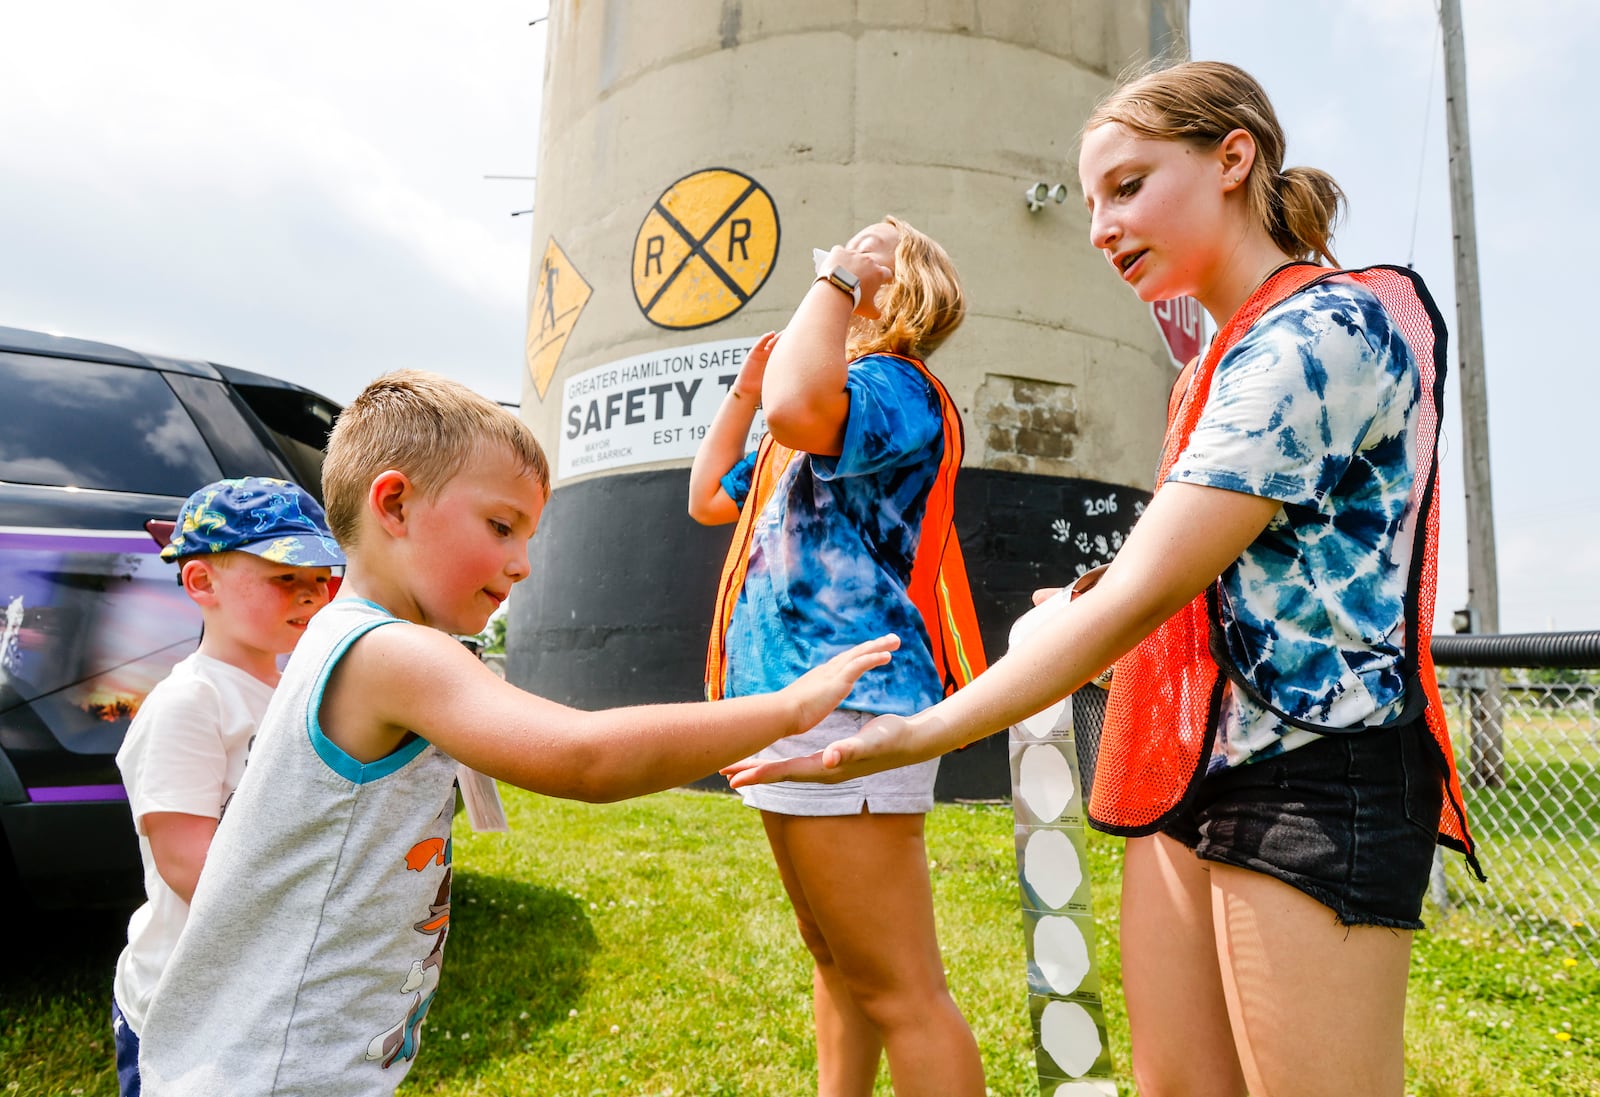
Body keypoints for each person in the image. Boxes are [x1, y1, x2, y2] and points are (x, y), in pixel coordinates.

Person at [727, 62, 1481, 1097]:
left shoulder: (1316, 336)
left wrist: (921, 730)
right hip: (1190, 762)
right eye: (1088, 202)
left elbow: (1147, 592)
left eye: (1125, 187)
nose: (1097, 228)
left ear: (1232, 158)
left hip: (1316, 772)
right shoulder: (1224, 355)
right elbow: (1211, 566)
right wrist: (1078, 601)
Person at [132, 370, 896, 1097]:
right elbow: (585, 756)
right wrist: (788, 708)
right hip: (277, 1070)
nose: (523, 564)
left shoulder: (346, 640)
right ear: (393, 505)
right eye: (501, 526)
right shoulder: (386, 650)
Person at [690, 217, 988, 1097]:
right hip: (795, 700)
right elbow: (709, 496)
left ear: (904, 291)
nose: (844, 258)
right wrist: (745, 389)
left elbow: (799, 405)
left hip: (853, 704)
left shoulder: (895, 388)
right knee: (835, 959)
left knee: (903, 990)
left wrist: (833, 281)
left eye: (870, 254)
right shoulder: (822, 411)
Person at [111, 476, 345, 1097]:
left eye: (321, 580)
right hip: (183, 1006)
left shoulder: (295, 692)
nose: (311, 597)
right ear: (201, 582)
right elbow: (190, 865)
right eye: (284, 578)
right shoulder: (191, 702)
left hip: (261, 993)